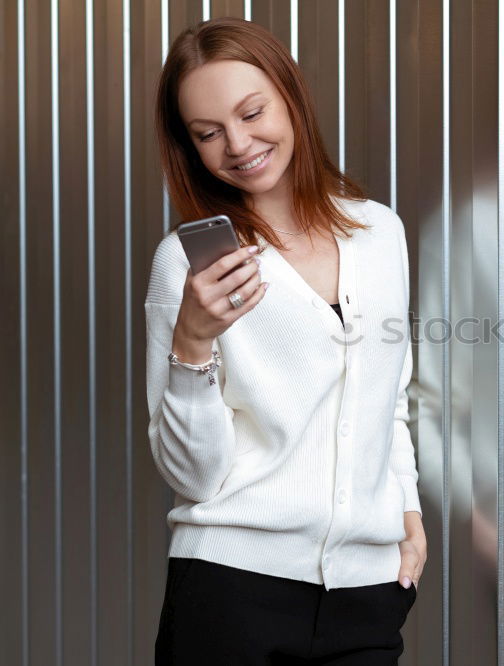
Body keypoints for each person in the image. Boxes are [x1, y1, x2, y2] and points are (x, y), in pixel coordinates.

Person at [145, 17, 426, 665]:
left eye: (251, 112)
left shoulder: (379, 233)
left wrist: (406, 510)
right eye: (207, 133)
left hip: (368, 590)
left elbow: (390, 396)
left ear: (290, 96)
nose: (238, 144)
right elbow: (193, 475)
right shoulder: (189, 265)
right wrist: (192, 341)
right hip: (230, 591)